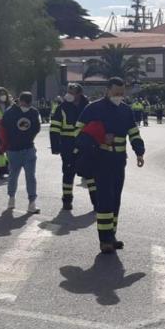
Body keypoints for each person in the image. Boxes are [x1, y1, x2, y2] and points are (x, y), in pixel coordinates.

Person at [75, 77, 144, 254]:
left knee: (115, 200)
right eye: (116, 93)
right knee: (105, 199)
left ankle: (111, 235)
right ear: (107, 90)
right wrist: (99, 138)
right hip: (100, 159)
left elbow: (133, 132)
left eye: (122, 93)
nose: (119, 96)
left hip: (119, 161)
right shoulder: (93, 108)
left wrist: (139, 151)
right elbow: (78, 133)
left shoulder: (126, 110)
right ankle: (104, 240)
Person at [50, 83, 92, 210]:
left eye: (72, 92)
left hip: (85, 146)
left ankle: (97, 202)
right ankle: (67, 201)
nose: (68, 94)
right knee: (68, 173)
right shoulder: (61, 108)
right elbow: (54, 128)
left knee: (90, 174)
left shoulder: (88, 107)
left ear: (79, 94)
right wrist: (55, 147)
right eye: (68, 91)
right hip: (67, 146)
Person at [1, 92, 42, 214]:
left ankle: (31, 202)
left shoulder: (33, 112)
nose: (27, 105)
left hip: (26, 148)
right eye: (25, 103)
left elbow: (37, 128)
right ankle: (12, 198)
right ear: (20, 100)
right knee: (14, 175)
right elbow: (3, 129)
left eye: (29, 104)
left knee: (30, 177)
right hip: (15, 149)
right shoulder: (10, 112)